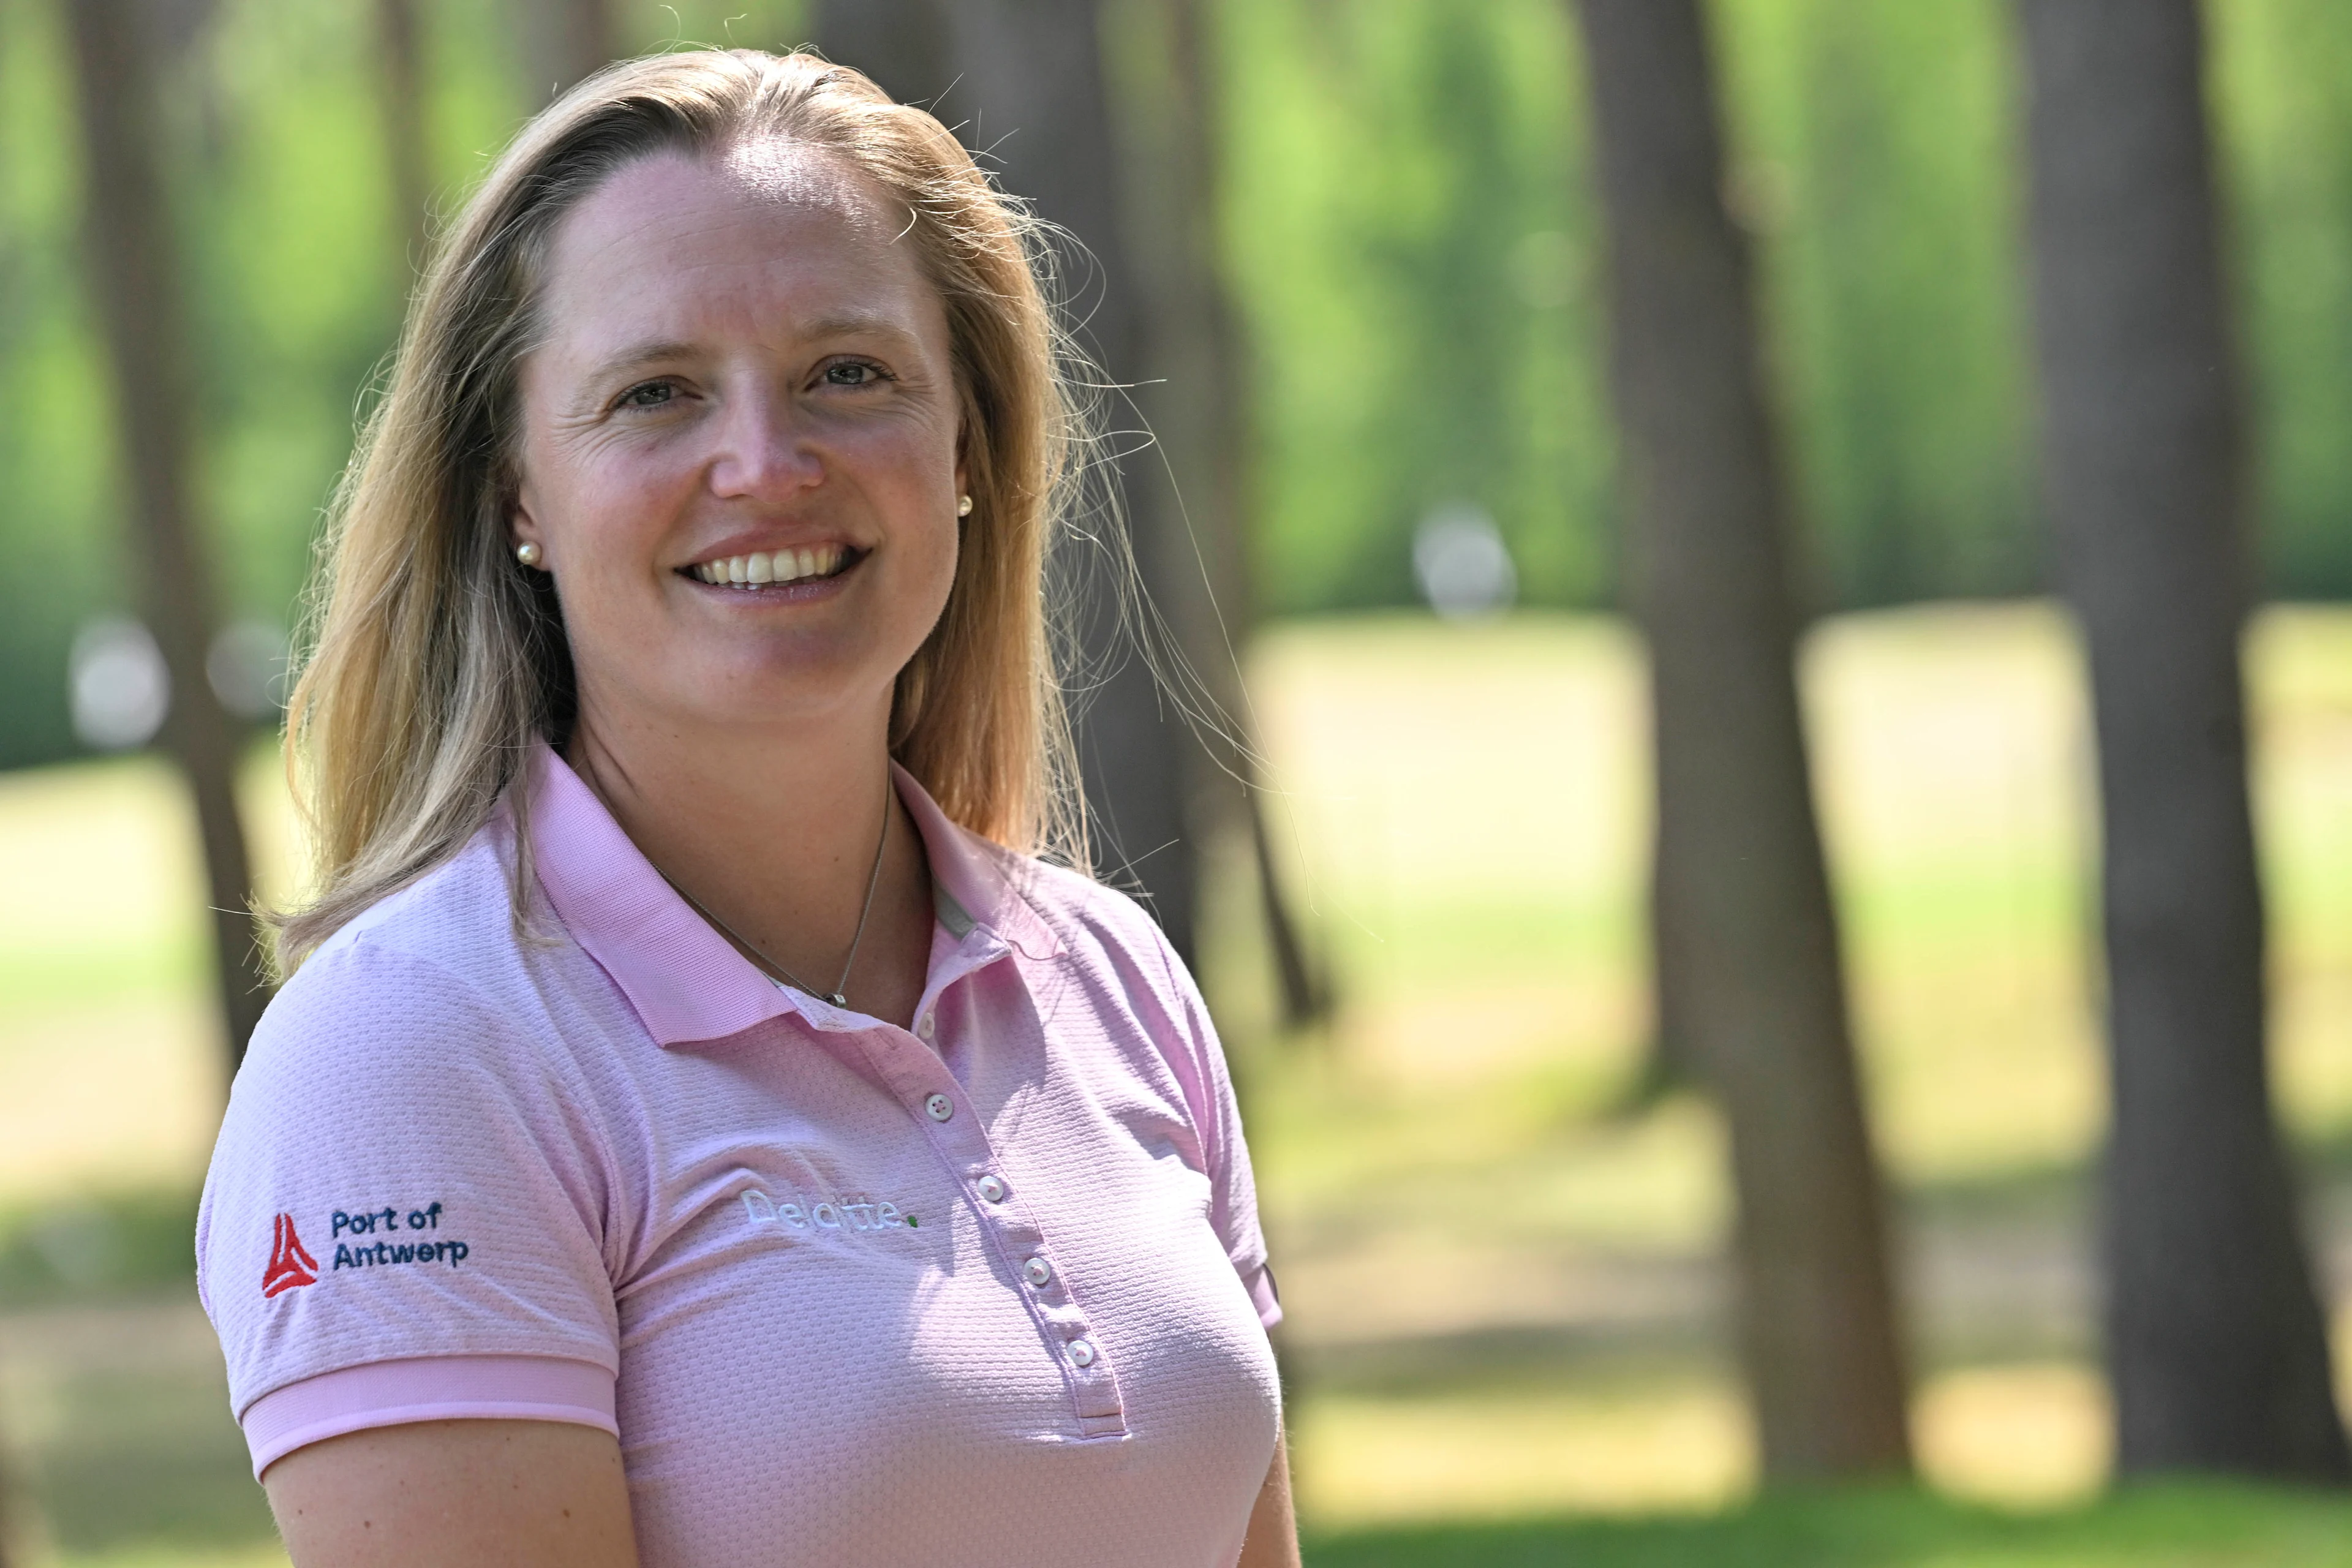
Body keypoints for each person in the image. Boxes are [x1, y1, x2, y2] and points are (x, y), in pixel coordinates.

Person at [194, 48, 1295, 1568]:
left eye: (850, 373)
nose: (767, 465)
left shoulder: (1112, 980)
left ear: (966, 448)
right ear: (518, 489)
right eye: (657, 393)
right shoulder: (417, 1048)